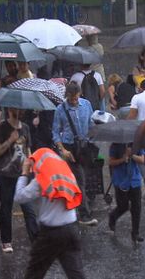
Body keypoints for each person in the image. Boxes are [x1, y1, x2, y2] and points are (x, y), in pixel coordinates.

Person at [14, 148, 85, 279]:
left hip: (51, 232)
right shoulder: (66, 173)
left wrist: (24, 173)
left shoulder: (42, 180)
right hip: (72, 228)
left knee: (34, 273)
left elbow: (19, 197)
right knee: (76, 273)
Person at [0, 107, 38, 253]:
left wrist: (31, 166)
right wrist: (10, 140)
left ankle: (35, 240)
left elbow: (28, 149)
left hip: (22, 174)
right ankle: (6, 241)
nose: (19, 111)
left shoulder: (25, 127)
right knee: (6, 208)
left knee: (29, 208)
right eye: (15, 108)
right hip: (5, 175)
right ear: (9, 110)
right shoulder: (1, 128)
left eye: (20, 109)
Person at [53, 82, 98, 226]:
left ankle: (75, 206)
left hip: (85, 147)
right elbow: (55, 132)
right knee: (80, 180)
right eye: (71, 98)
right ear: (67, 96)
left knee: (86, 178)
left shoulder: (86, 105)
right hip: (70, 148)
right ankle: (84, 214)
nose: (74, 101)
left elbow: (91, 125)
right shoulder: (60, 109)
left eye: (76, 98)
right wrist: (63, 150)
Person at [108, 143, 145, 243]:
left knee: (136, 207)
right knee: (123, 206)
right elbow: (111, 162)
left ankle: (135, 233)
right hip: (120, 180)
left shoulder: (137, 143)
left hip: (135, 180)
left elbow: (142, 160)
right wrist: (122, 159)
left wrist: (132, 155)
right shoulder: (115, 145)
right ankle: (113, 216)